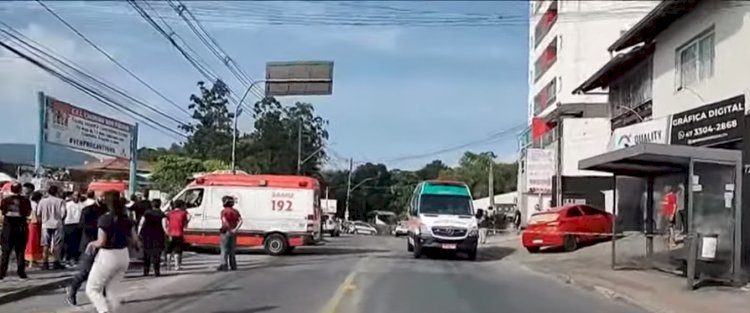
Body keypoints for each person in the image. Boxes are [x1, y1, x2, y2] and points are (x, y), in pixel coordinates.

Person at [85, 191, 137, 313]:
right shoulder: (127, 219)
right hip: (124, 255)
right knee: (112, 290)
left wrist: (91, 243)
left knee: (92, 289)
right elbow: (135, 240)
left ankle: (104, 311)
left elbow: (101, 242)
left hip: (108, 256)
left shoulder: (104, 219)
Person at [65, 191, 108, 306]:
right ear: (97, 196)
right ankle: (72, 289)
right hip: (90, 244)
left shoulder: (107, 210)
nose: (103, 198)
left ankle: (103, 297)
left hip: (104, 244)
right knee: (86, 271)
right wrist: (99, 226)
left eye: (105, 197)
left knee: (103, 272)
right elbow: (82, 225)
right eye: (101, 196)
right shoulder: (88, 210)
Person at [0, 183, 32, 280]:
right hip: (21, 226)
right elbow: (28, 212)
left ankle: (2, 272)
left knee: (6, 251)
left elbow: (2, 211)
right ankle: (21, 272)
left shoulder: (6, 200)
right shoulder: (25, 200)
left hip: (8, 226)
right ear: (20, 189)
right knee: (20, 251)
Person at [37, 185, 67, 270]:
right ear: (57, 192)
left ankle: (45, 263)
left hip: (45, 224)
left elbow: (38, 213)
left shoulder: (42, 201)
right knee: (57, 244)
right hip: (57, 224)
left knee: (45, 244)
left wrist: (42, 221)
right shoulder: (61, 201)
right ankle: (56, 262)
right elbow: (63, 213)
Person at [138, 199, 166, 276]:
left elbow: (141, 223)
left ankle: (146, 271)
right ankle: (157, 271)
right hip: (158, 235)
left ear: (152, 205)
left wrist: (138, 233)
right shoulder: (161, 214)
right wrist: (167, 234)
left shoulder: (146, 213)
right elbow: (164, 226)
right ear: (159, 205)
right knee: (157, 254)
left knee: (146, 253)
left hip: (147, 235)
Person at [218, 196, 242, 271]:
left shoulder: (223, 211)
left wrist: (229, 228)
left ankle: (224, 265)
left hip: (225, 232)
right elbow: (241, 221)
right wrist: (235, 229)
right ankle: (233, 265)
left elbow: (224, 221)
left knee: (224, 249)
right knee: (232, 250)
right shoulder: (235, 211)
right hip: (233, 233)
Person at [165, 199, 189, 271]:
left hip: (170, 234)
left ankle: (168, 266)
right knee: (177, 251)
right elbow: (185, 224)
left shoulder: (169, 213)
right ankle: (176, 266)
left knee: (168, 251)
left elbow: (167, 222)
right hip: (179, 234)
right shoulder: (183, 213)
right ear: (181, 205)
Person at [62, 191, 84, 265]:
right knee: (67, 242)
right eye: (75, 195)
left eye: (78, 195)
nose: (76, 197)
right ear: (72, 196)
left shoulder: (82, 205)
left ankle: (74, 258)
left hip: (78, 224)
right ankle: (67, 257)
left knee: (76, 243)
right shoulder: (68, 204)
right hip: (68, 224)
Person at [24, 191, 44, 268]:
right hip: (34, 224)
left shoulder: (30, 203)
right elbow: (36, 215)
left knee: (31, 242)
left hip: (30, 223)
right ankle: (31, 260)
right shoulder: (35, 204)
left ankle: (30, 259)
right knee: (33, 242)